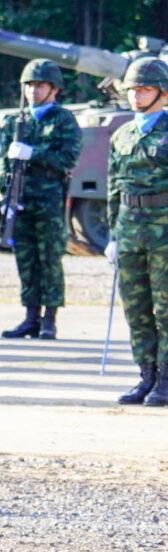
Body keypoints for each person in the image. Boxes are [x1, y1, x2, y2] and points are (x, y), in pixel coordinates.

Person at [0, 58, 80, 339]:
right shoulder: (14, 120)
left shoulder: (63, 119)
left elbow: (68, 158)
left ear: (54, 89)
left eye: (40, 86)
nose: (33, 91)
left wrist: (34, 154)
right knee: (26, 259)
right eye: (29, 85)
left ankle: (49, 319)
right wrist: (3, 187)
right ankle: (30, 317)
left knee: (49, 259)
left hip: (48, 201)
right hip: (19, 199)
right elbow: (0, 159)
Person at [107, 57, 168, 406]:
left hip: (164, 231)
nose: (135, 95)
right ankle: (147, 376)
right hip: (130, 230)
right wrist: (113, 235)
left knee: (166, 308)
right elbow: (114, 187)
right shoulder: (122, 134)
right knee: (136, 307)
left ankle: (166, 380)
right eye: (132, 90)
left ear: (163, 93)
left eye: (144, 89)